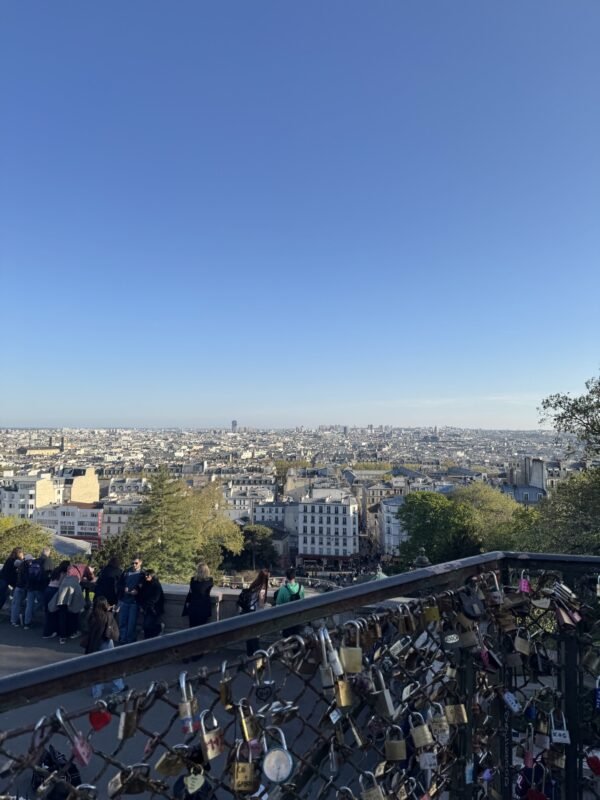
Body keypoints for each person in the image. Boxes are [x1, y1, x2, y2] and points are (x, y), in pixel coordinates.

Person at [85, 596, 126, 699]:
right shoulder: (107, 616)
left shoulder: (92, 616)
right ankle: (119, 685)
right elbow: (112, 626)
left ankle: (97, 691)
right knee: (112, 666)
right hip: (106, 643)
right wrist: (115, 613)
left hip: (94, 644)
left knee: (96, 669)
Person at [49, 561, 87, 644]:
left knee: (62, 614)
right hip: (72, 591)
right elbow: (90, 578)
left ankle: (62, 636)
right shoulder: (82, 569)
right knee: (73, 612)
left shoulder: (69, 569)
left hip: (63, 592)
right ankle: (72, 632)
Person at [239, 569, 270, 657]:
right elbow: (260, 604)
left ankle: (250, 656)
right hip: (254, 614)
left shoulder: (254, 584)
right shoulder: (262, 588)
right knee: (255, 638)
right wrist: (267, 605)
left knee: (249, 637)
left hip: (247, 612)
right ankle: (258, 657)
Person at [24, 547, 54, 629]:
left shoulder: (34, 561)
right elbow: (51, 574)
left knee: (29, 605)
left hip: (31, 586)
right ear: (48, 553)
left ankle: (27, 623)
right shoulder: (48, 561)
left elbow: (28, 573)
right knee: (43, 603)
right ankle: (46, 624)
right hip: (41, 587)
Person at [117, 555, 144, 644]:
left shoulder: (143, 574)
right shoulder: (126, 572)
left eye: (136, 563)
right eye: (132, 563)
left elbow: (146, 587)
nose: (134, 565)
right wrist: (123, 589)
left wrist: (137, 591)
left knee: (131, 624)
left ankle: (129, 641)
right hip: (124, 600)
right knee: (122, 622)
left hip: (134, 602)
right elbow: (119, 584)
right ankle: (123, 639)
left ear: (140, 563)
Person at [276, 567, 305, 636]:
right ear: (295, 576)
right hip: (298, 619)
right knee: (297, 640)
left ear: (286, 577)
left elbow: (277, 606)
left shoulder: (283, 589)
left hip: (287, 620)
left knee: (287, 642)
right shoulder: (301, 588)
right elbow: (303, 602)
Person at [42, 563, 68, 639]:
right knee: (54, 611)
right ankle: (50, 632)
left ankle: (46, 632)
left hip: (48, 589)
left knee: (48, 611)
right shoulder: (64, 573)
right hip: (55, 591)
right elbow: (62, 584)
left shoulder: (56, 570)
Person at [183, 563, 213, 628]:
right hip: (203, 607)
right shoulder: (210, 580)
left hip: (193, 606)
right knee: (201, 628)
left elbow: (191, 592)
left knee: (192, 627)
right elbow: (206, 591)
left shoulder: (193, 580)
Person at [138, 568, 165, 639]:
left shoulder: (156, 585)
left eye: (148, 575)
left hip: (154, 609)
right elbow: (142, 595)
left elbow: (155, 599)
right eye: (145, 575)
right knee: (147, 626)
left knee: (147, 625)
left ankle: (159, 628)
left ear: (152, 576)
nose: (146, 576)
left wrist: (144, 605)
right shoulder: (146, 584)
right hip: (147, 608)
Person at [10, 554, 34, 627]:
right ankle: (21, 620)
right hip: (23, 587)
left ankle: (13, 620)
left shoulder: (20, 566)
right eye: (30, 560)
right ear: (28, 560)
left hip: (18, 587)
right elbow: (27, 578)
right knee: (23, 604)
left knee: (15, 604)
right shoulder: (28, 568)